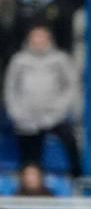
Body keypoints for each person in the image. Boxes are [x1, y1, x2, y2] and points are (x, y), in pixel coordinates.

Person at [3, 25, 83, 178]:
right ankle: (29, 186)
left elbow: (70, 86)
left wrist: (58, 110)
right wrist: (16, 112)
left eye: (42, 37)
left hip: (54, 115)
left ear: (49, 39)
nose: (38, 41)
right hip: (26, 117)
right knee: (30, 155)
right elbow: (10, 88)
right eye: (35, 37)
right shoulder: (19, 60)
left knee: (70, 139)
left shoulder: (60, 59)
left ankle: (77, 177)